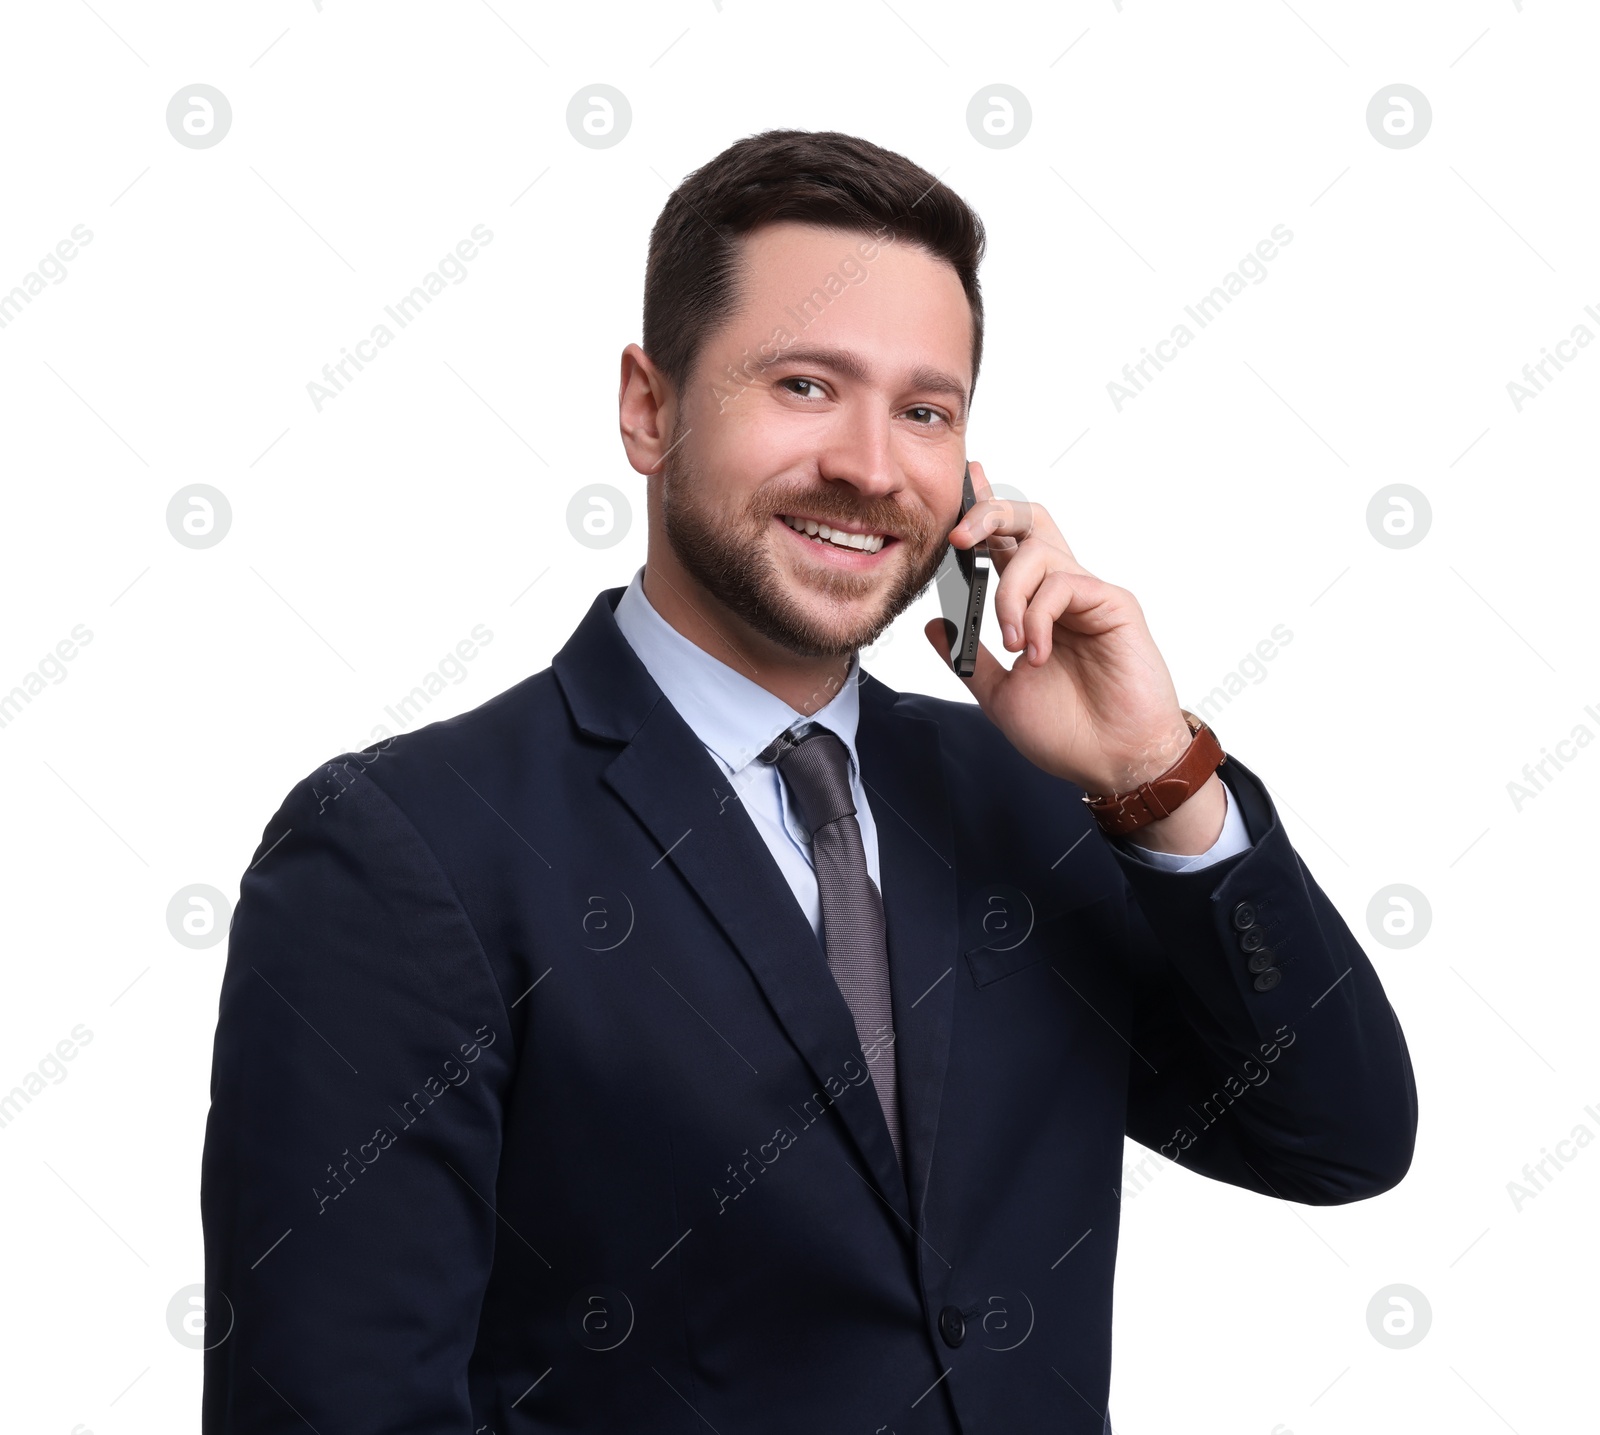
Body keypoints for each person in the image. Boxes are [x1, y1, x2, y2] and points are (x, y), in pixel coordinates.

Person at [201, 129, 1417, 1434]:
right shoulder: (402, 852)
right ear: (649, 407)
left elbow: (1331, 1136)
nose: (871, 466)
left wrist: (1155, 777)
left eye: (925, 411)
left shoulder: (1028, 805)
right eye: (803, 385)